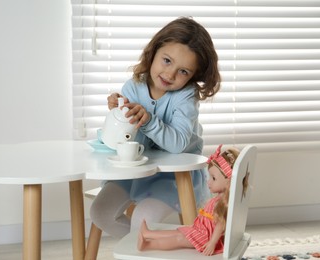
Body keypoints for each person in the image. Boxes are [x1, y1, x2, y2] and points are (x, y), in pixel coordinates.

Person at [90, 16, 221, 238]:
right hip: (136, 171)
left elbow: (178, 144)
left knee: (143, 219)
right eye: (167, 61)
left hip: (173, 177)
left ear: (193, 76)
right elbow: (128, 142)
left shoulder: (185, 96)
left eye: (183, 71)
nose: (170, 75)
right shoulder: (133, 87)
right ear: (154, 52)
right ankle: (143, 247)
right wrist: (119, 116)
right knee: (100, 212)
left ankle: (147, 245)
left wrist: (148, 120)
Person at [137, 145, 240, 255]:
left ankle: (148, 245)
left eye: (214, 178)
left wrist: (212, 243)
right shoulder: (220, 198)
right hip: (201, 230)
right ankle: (148, 234)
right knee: (178, 232)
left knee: (179, 239)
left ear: (229, 181)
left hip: (205, 237)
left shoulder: (223, 203)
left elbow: (220, 225)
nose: (208, 182)